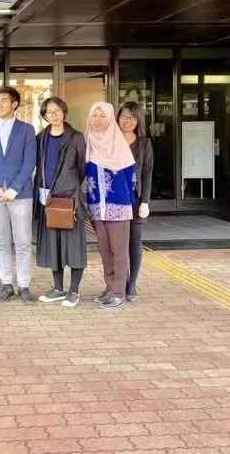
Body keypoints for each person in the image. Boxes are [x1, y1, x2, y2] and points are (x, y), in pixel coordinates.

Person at [0, 86, 37, 304]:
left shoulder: (27, 130)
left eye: (4, 100)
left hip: (20, 195)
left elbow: (29, 161)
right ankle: (6, 285)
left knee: (23, 242)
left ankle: (24, 286)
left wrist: (15, 188)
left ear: (14, 104)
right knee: (1, 241)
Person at [34, 97, 88, 308]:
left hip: (69, 199)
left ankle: (74, 291)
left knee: (73, 246)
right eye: (49, 112)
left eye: (57, 111)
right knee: (53, 246)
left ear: (64, 112)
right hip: (46, 197)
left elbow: (82, 169)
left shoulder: (76, 137)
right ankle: (58, 289)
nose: (53, 115)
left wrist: (69, 185)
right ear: (44, 116)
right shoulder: (41, 138)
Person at [85, 102, 137, 309]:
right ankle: (109, 288)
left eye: (102, 116)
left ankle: (119, 292)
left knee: (119, 251)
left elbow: (131, 178)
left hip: (119, 206)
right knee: (105, 251)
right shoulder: (87, 142)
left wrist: (128, 204)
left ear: (110, 119)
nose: (98, 120)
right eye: (94, 115)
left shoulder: (119, 144)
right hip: (97, 207)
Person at [118, 101, 153, 303]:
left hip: (136, 199)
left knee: (135, 241)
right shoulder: (111, 140)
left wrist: (145, 201)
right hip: (115, 199)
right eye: (124, 116)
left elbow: (147, 174)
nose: (127, 120)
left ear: (138, 120)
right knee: (118, 243)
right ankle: (119, 282)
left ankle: (131, 285)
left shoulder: (144, 144)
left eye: (132, 117)